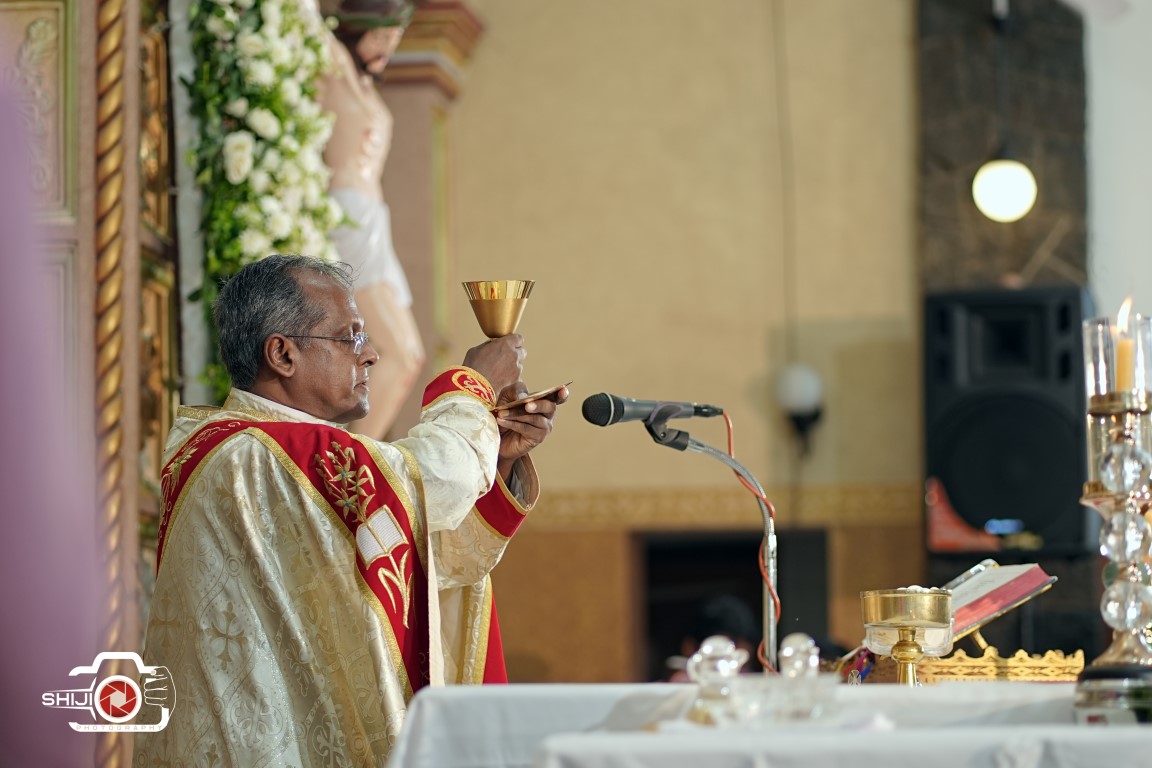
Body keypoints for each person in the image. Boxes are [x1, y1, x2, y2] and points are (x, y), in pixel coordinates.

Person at [135, 254, 567, 764]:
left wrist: (499, 460)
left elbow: (419, 555)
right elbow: (436, 479)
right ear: (282, 354)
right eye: (351, 337)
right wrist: (470, 387)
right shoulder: (257, 453)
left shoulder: (256, 452)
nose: (372, 355)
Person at [315, 0, 425, 439]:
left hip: (372, 219)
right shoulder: (334, 64)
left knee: (394, 354)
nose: (387, 50)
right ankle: (356, 458)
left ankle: (355, 452)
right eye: (381, 36)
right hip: (348, 215)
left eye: (394, 40)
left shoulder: (362, 85)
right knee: (403, 353)